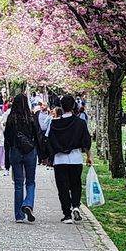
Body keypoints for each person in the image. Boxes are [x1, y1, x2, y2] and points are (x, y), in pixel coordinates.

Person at [47, 93, 93, 223]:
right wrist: (89, 157)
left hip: (59, 160)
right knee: (75, 184)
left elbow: (49, 142)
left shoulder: (55, 124)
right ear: (74, 106)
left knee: (63, 187)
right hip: (76, 158)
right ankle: (76, 206)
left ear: (61, 106)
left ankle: (67, 214)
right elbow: (86, 141)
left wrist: (49, 157)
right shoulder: (80, 123)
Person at [4, 92, 40, 223]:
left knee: (18, 184)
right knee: (30, 182)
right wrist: (41, 154)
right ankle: (28, 204)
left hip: (15, 151)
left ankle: (19, 215)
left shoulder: (10, 119)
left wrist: (7, 161)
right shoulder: (30, 118)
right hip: (30, 152)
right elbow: (37, 136)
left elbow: (7, 139)